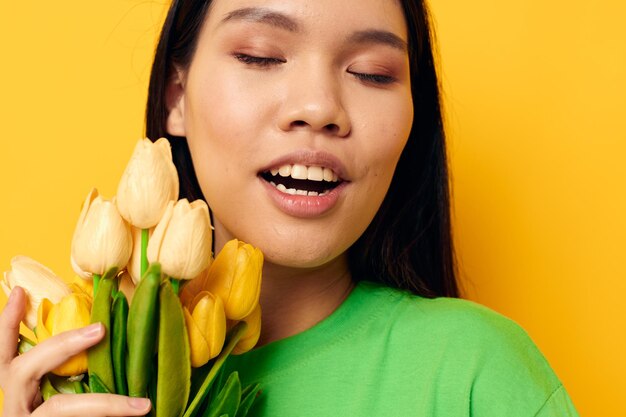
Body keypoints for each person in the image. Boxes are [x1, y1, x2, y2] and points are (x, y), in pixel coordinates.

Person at [0, 0, 579, 415]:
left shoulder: (473, 373)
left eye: (372, 73)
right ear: (176, 97)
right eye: (259, 56)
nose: (319, 106)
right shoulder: (65, 381)